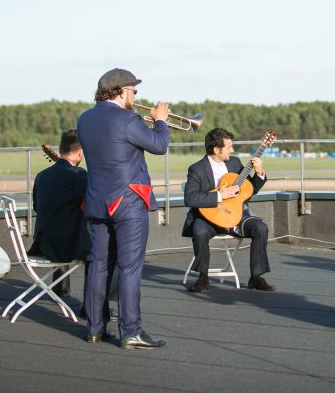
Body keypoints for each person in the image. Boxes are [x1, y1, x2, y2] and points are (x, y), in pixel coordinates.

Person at [76, 68, 170, 349]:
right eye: (134, 91)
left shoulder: (84, 118)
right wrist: (161, 122)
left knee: (97, 266)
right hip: (128, 202)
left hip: (96, 201)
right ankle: (131, 331)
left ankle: (95, 328)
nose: (135, 96)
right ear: (121, 91)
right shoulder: (128, 118)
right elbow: (159, 145)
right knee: (130, 268)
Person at [182, 127, 274, 293]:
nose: (232, 150)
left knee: (261, 228)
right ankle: (203, 278)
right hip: (209, 216)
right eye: (229, 147)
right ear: (216, 149)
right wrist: (220, 195)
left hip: (236, 216)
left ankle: (256, 277)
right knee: (199, 231)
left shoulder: (234, 163)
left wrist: (259, 172)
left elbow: (249, 190)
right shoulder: (196, 169)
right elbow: (190, 198)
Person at [29, 129, 88, 298]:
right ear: (80, 152)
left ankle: (60, 289)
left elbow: (37, 208)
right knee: (101, 247)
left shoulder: (42, 176)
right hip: (62, 247)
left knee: (62, 224)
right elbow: (95, 202)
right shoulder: (78, 176)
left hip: (42, 243)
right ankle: (94, 307)